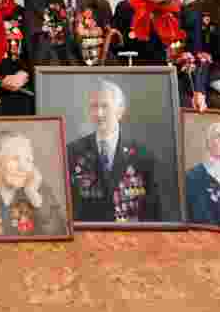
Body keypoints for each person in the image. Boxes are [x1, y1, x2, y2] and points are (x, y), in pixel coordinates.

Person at [112, 0, 207, 111]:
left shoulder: (188, 14)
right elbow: (114, 53)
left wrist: (199, 91)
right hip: (134, 81)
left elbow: (197, 56)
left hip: (175, 83)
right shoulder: (126, 9)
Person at [67, 79, 160, 223]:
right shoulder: (72, 152)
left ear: (120, 111)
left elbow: (153, 212)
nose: (98, 113)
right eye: (94, 106)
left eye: (105, 106)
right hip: (88, 235)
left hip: (130, 237)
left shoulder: (142, 156)